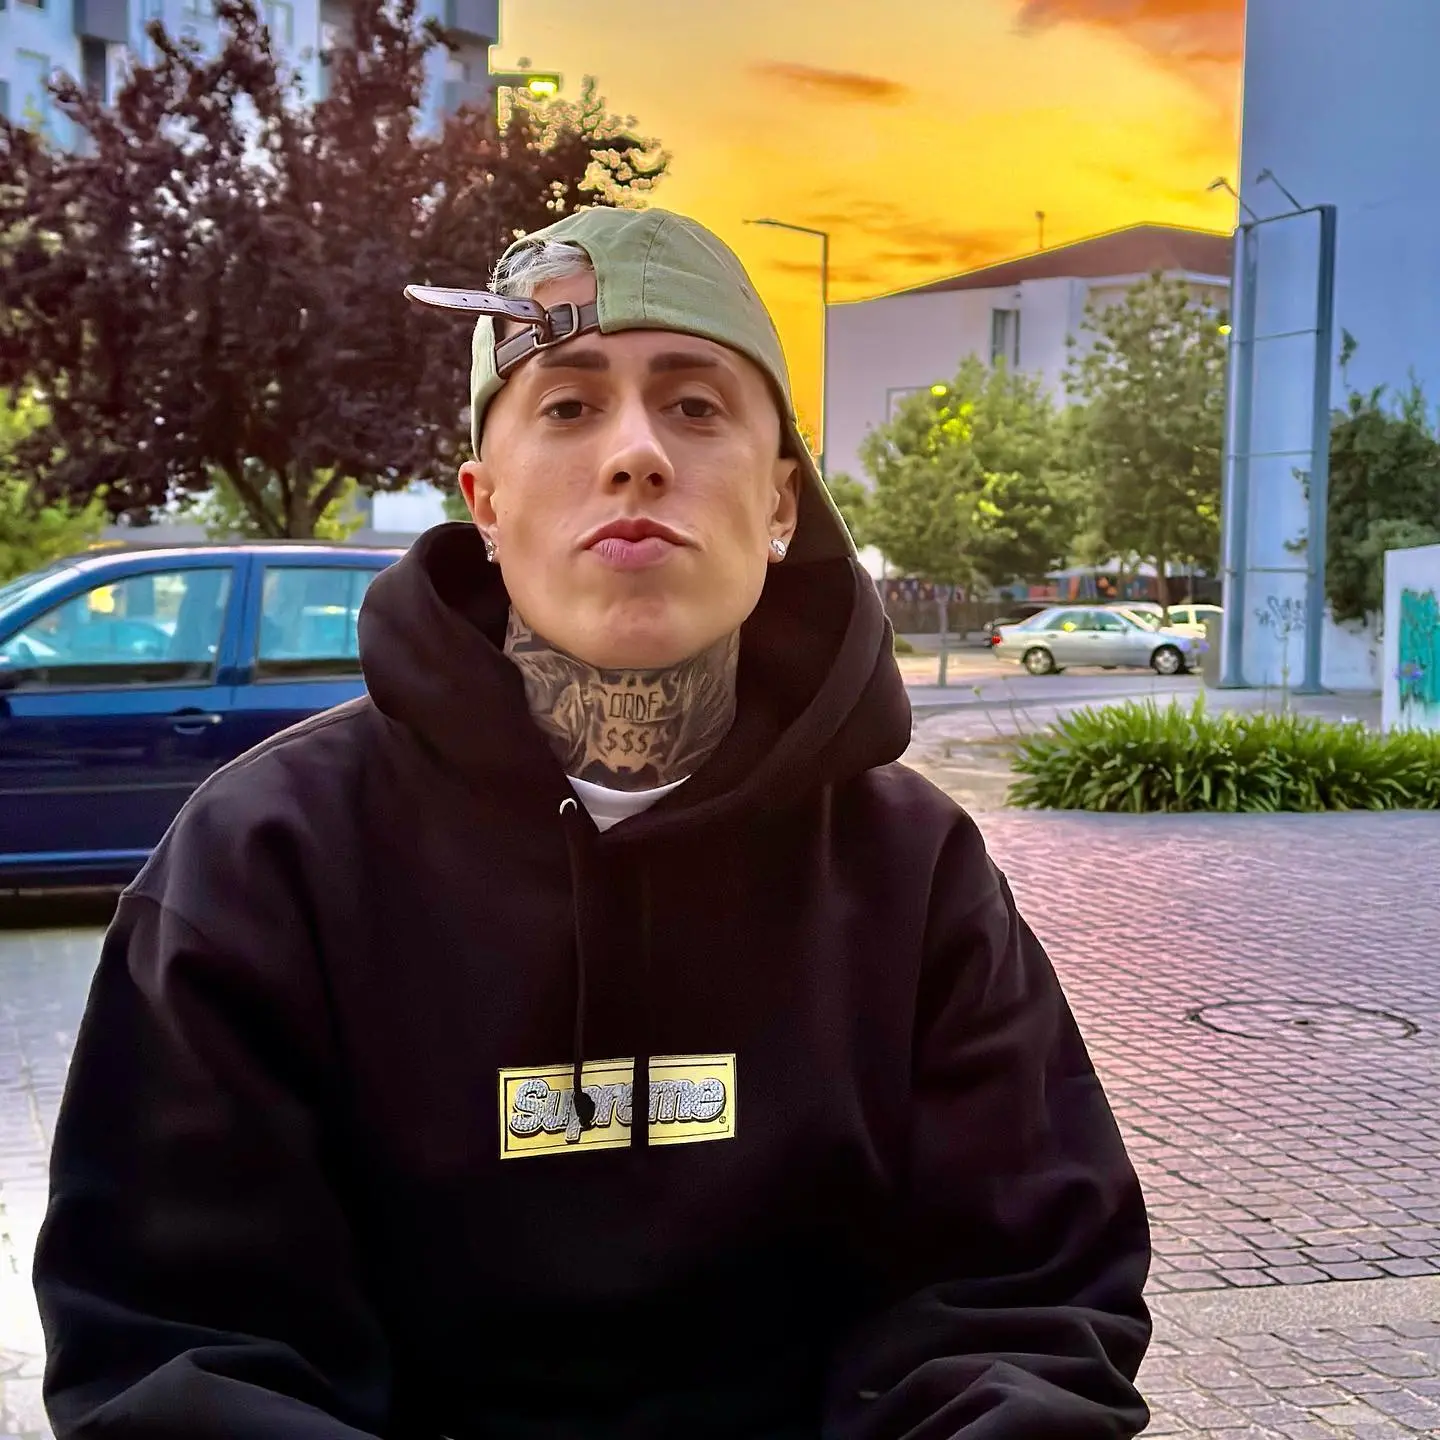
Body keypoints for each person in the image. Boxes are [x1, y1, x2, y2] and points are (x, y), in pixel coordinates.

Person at [34, 206, 1151, 1439]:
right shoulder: (262, 860)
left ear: (783, 502)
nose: (636, 455)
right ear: (484, 501)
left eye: (696, 405)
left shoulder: (911, 870)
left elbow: (1026, 1306)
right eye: (568, 406)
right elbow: (174, 1349)